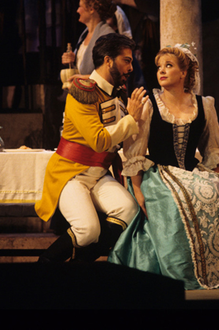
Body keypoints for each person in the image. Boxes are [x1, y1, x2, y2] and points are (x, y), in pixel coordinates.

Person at [108, 44, 219, 290]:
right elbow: (134, 152)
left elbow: (212, 150)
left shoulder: (204, 105)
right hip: (160, 174)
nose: (162, 71)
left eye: (169, 66)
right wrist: (137, 190)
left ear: (184, 72)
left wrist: (213, 181)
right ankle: (185, 269)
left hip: (192, 172)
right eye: (159, 66)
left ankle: (217, 269)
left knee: (217, 191)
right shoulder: (150, 105)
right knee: (175, 199)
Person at [35, 33, 148, 263]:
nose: (131, 66)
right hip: (71, 173)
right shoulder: (82, 91)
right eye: (126, 60)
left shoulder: (116, 91)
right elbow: (98, 140)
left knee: (128, 210)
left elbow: (121, 140)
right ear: (108, 61)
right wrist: (131, 119)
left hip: (98, 173)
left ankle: (78, 270)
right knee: (87, 229)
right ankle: (44, 265)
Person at [61, 0, 117, 80]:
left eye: (80, 6)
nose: (77, 10)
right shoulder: (84, 35)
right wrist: (72, 60)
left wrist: (83, 78)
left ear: (91, 9)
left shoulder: (107, 36)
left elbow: (111, 75)